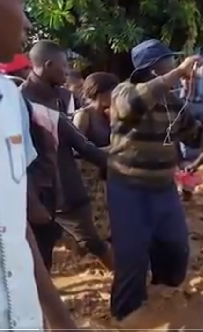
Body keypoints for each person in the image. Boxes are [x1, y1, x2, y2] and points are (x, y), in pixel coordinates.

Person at [106, 39, 203, 321]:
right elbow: (131, 106)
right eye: (170, 61)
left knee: (176, 250)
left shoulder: (173, 103)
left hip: (162, 189)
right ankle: (125, 318)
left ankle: (164, 302)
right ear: (152, 68)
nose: (177, 65)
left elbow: (197, 136)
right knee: (132, 259)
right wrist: (178, 74)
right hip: (128, 189)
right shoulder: (124, 92)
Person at [0, 0, 81, 329]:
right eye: (20, 5)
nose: (28, 24)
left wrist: (59, 319)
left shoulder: (8, 99)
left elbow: (13, 226)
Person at [22, 40, 110, 270]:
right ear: (48, 65)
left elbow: (81, 145)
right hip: (37, 199)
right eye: (64, 66)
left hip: (64, 191)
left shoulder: (57, 96)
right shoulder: (22, 103)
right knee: (39, 261)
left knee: (92, 243)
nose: (68, 71)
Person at [73, 72, 119, 243]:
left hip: (109, 174)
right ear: (101, 94)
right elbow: (76, 149)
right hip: (90, 179)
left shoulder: (110, 115)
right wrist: (107, 151)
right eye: (113, 93)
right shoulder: (84, 116)